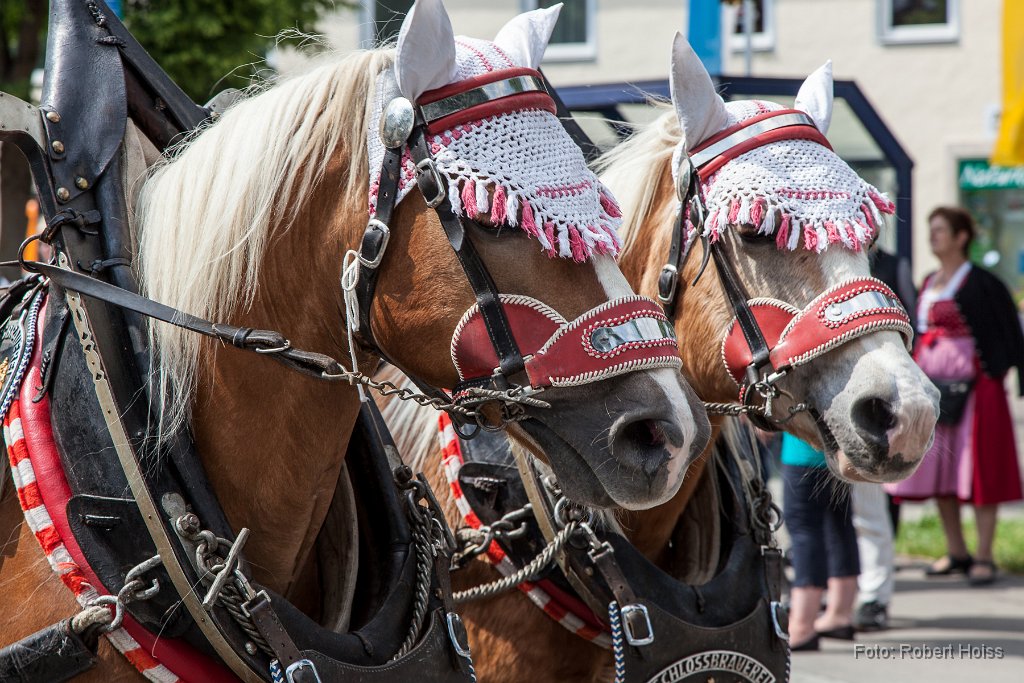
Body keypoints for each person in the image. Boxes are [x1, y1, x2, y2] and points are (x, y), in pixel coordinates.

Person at [886, 206, 1024, 586]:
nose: (934, 237)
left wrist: (1000, 372)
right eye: (932, 230)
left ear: (962, 237)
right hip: (935, 391)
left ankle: (984, 554)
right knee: (939, 470)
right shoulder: (930, 280)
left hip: (978, 392)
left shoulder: (982, 282)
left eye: (941, 230)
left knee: (977, 470)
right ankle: (956, 550)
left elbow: (1008, 332)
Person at [851, 245, 917, 631]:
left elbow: (912, 333)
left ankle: (874, 595)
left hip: (879, 402)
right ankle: (832, 589)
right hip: (825, 401)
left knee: (869, 510)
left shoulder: (891, 265)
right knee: (819, 514)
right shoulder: (808, 255)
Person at [782, 433, 859, 651]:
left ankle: (802, 626)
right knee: (840, 525)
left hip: (805, 450)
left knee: (804, 530)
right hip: (841, 452)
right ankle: (840, 614)